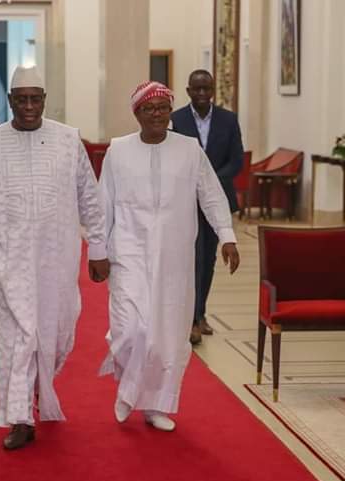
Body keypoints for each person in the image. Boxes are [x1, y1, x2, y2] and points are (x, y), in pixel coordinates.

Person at [0, 66, 110, 450]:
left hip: (57, 257)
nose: (28, 106)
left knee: (58, 331)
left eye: (34, 99)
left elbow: (89, 198)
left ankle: (40, 381)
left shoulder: (68, 140)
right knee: (14, 337)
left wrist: (99, 248)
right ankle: (20, 417)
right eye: (21, 99)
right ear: (9, 100)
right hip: (6, 258)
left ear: (44, 100)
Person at [99, 81, 240, 431]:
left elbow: (211, 195)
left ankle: (154, 405)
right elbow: (103, 203)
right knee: (130, 329)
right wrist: (97, 250)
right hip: (128, 251)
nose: (157, 114)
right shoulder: (118, 150)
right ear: (137, 113)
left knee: (166, 335)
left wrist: (227, 235)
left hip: (175, 257)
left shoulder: (189, 149)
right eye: (149, 108)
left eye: (163, 107)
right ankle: (129, 387)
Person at [171, 69, 244, 345]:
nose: (202, 94)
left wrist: (209, 181)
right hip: (184, 200)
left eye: (207, 89)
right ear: (188, 91)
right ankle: (190, 318)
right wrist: (194, 183)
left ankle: (200, 313)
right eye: (197, 89)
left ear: (213, 91)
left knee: (208, 259)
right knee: (190, 258)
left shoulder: (229, 119)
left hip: (217, 199)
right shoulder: (176, 119)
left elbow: (236, 160)